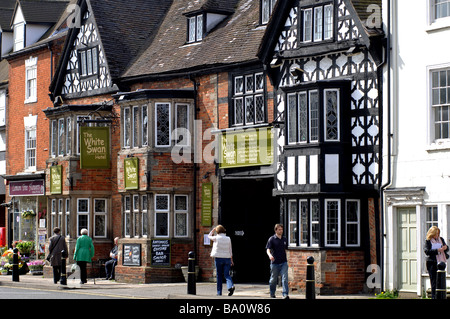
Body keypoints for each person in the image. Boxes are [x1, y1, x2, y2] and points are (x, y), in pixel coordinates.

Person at [208, 225, 235, 296]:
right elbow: (230, 250)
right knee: (227, 274)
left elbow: (209, 236)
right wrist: (231, 260)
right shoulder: (228, 238)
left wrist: (212, 230)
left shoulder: (216, 238)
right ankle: (230, 286)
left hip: (218, 258)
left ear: (217, 231)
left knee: (219, 275)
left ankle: (219, 292)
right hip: (227, 258)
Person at [424, 226, 449, 299]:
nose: (437, 235)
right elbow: (427, 251)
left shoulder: (441, 239)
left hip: (440, 262)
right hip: (432, 263)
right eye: (436, 234)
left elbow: (446, 248)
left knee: (440, 281)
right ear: (432, 234)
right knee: (434, 282)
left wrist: (445, 248)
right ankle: (434, 297)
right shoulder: (428, 241)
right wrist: (437, 250)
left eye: (438, 234)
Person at [266, 224, 289, 299]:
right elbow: (268, 249)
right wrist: (270, 255)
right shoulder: (272, 239)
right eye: (279, 229)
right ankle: (272, 293)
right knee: (273, 279)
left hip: (283, 262)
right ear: (276, 230)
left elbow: (286, 250)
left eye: (282, 229)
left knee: (285, 278)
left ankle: (285, 294)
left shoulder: (284, 239)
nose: (281, 231)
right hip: (274, 263)